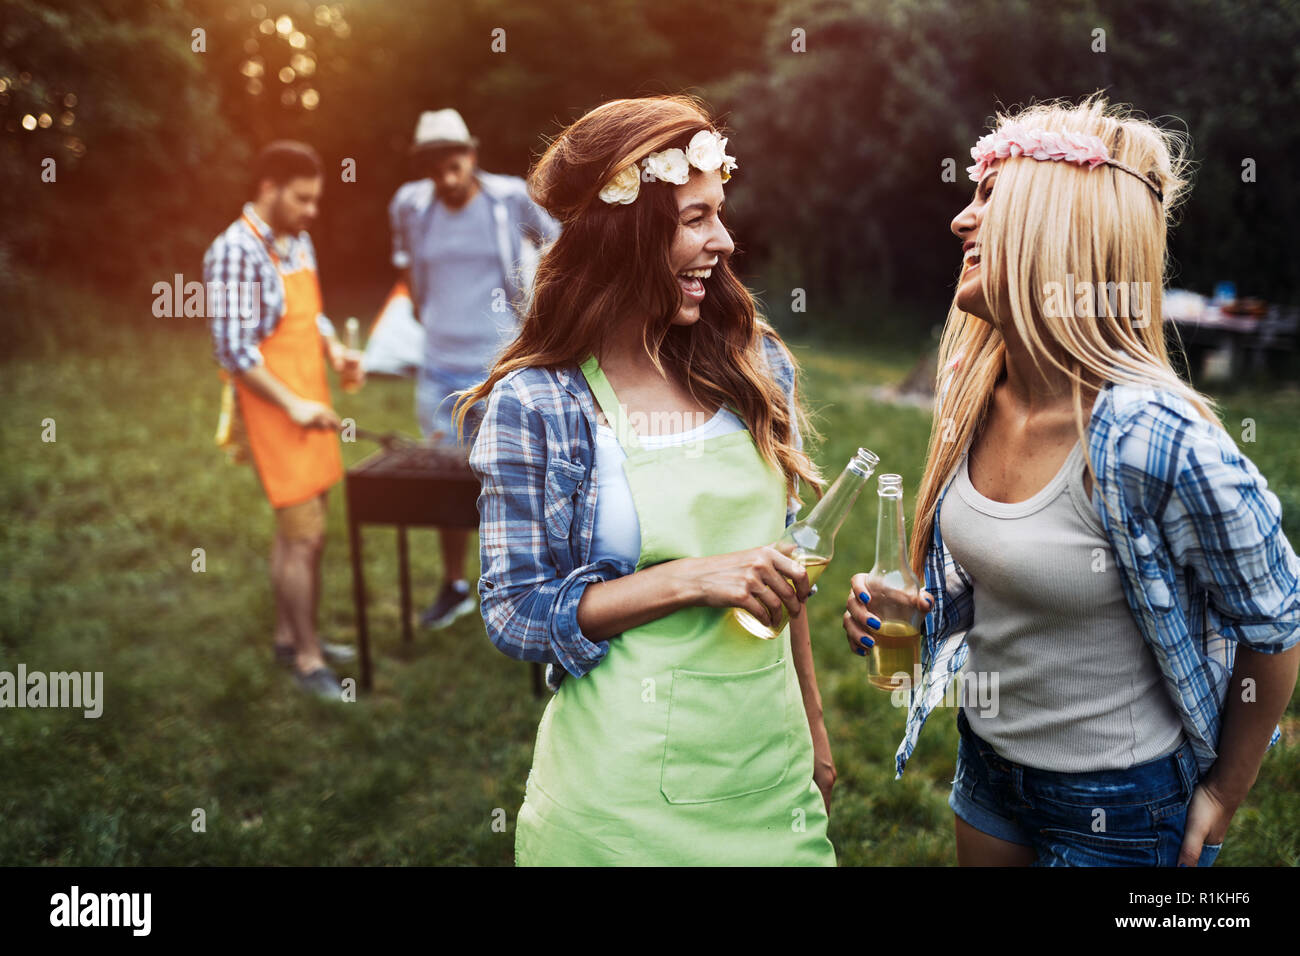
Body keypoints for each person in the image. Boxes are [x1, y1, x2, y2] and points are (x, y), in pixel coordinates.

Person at [840, 94, 1300, 867]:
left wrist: (1225, 791)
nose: (961, 220)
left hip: (1124, 805)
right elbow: (1017, 583)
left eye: (989, 196)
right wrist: (916, 615)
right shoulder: (973, 391)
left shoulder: (1155, 438)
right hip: (987, 767)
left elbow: (1277, 621)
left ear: (1059, 229)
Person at [458, 95, 837, 866]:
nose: (724, 242)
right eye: (695, 219)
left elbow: (783, 567)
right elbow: (517, 613)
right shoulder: (540, 402)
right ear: (627, 233)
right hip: (616, 811)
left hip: (768, 779)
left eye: (719, 214)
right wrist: (693, 579)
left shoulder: (757, 366)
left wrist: (817, 729)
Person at [388, 108, 560, 631]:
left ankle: (523, 590)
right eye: (434, 159)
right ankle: (457, 585)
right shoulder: (411, 208)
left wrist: (541, 317)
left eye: (454, 155)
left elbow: (560, 245)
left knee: (513, 481)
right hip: (438, 368)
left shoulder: (509, 199)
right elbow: (409, 271)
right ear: (424, 165)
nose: (447, 168)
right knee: (446, 478)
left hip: (501, 370)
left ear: (471, 153)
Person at [205, 140, 363, 699]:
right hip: (275, 411)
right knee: (304, 537)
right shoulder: (233, 251)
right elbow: (234, 351)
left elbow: (310, 315)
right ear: (268, 189)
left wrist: (334, 353)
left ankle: (286, 636)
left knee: (306, 537)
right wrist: (292, 404)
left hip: (310, 401)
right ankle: (308, 657)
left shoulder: (298, 241)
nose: (311, 210)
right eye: (301, 199)